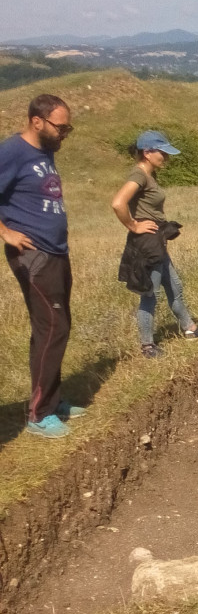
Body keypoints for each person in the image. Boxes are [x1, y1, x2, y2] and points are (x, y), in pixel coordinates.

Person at [0, 94, 83, 438]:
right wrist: (6, 233)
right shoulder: (12, 152)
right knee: (53, 327)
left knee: (54, 326)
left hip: (55, 252)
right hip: (33, 255)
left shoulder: (45, 151)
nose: (64, 133)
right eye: (60, 127)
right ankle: (38, 414)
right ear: (37, 121)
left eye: (68, 128)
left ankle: (51, 397)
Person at [111, 131, 198, 358]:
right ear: (147, 152)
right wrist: (133, 225)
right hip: (147, 245)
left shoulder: (148, 175)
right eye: (162, 153)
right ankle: (147, 345)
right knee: (149, 294)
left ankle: (190, 328)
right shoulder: (139, 174)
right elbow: (118, 203)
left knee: (175, 287)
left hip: (157, 241)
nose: (166, 157)